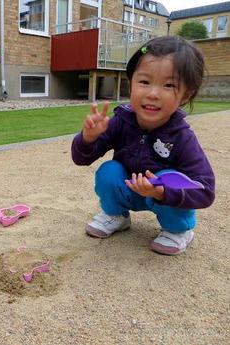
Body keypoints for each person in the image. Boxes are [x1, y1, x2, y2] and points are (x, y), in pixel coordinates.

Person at [71, 36, 215, 255]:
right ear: (132, 83)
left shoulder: (182, 137)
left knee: (171, 176)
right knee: (109, 171)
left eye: (168, 85)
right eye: (144, 82)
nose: (152, 93)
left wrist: (163, 191)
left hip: (162, 198)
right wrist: (88, 138)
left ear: (186, 95)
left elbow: (205, 190)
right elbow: (81, 159)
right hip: (129, 187)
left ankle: (178, 230)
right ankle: (116, 215)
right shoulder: (121, 121)